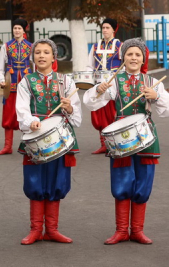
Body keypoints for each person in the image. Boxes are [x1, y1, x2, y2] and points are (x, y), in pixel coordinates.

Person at [83, 38, 169, 245]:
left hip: (146, 137)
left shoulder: (151, 81)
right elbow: (90, 103)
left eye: (137, 55)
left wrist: (156, 96)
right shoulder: (115, 80)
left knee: (143, 183)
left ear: (143, 58)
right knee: (121, 182)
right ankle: (121, 230)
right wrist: (98, 90)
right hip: (120, 138)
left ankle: (137, 231)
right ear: (123, 58)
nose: (133, 57)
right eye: (129, 54)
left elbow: (166, 110)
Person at [16, 38, 81, 245]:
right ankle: (36, 229)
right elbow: (22, 110)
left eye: (46, 52)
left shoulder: (66, 81)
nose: (41, 56)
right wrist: (31, 121)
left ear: (54, 57)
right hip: (35, 138)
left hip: (59, 140)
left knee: (56, 181)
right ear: (33, 57)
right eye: (38, 52)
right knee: (35, 181)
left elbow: (76, 116)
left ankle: (52, 229)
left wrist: (69, 108)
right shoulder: (26, 81)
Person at [0, 19, 33, 155]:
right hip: (10, 85)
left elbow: (35, 64)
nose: (16, 30)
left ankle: (27, 145)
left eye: (19, 28)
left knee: (26, 114)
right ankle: (7, 146)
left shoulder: (31, 46)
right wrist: (0, 80)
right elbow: (0, 65)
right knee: (9, 115)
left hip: (25, 85)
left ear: (24, 30)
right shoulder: (6, 46)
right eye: (15, 28)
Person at [87, 18, 122, 154]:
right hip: (98, 85)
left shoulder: (120, 46)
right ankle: (104, 144)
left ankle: (115, 143)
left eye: (108, 27)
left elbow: (125, 67)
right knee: (99, 115)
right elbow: (89, 65)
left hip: (113, 85)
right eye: (103, 28)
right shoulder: (95, 46)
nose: (105, 30)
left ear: (114, 29)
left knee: (113, 114)